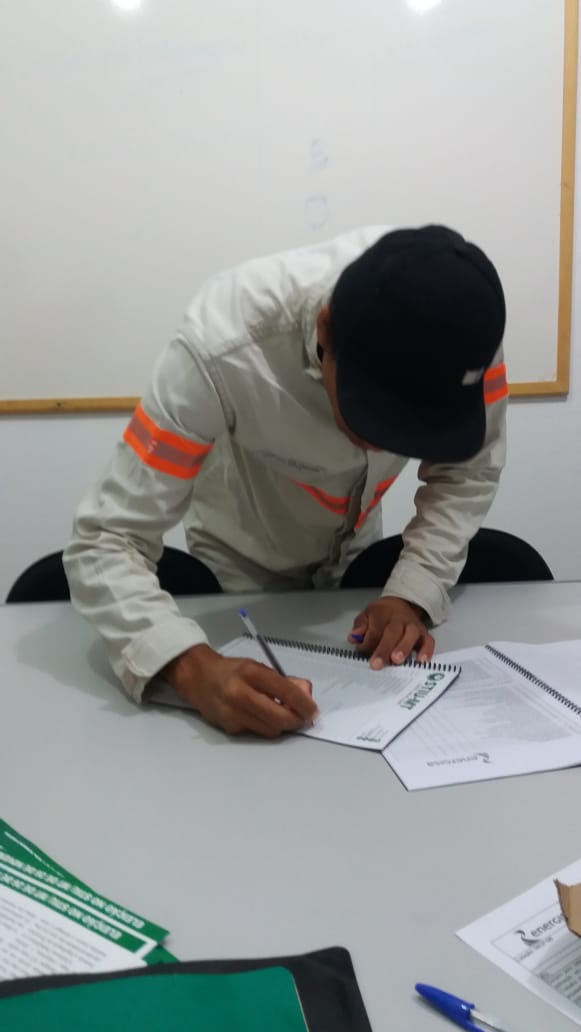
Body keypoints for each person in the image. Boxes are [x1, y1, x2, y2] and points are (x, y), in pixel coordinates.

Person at [64, 224, 508, 739]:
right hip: (243, 551)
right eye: (372, 419)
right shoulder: (220, 348)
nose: (380, 448)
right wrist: (189, 666)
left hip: (356, 553)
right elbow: (107, 538)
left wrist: (412, 591)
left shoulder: (466, 334)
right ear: (325, 331)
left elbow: (469, 470)